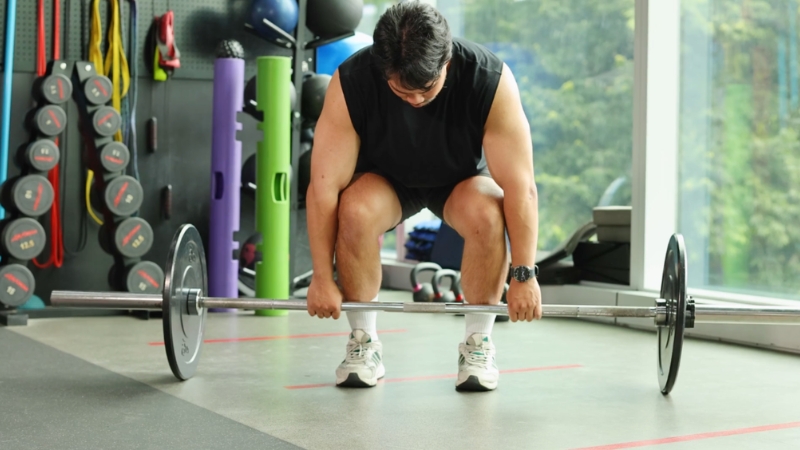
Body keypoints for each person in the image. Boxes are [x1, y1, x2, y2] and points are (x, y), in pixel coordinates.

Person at [305, 0, 542, 392]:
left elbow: (522, 187)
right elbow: (323, 188)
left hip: (459, 180)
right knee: (355, 209)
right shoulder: (352, 81)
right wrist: (320, 276)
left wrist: (524, 274)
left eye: (425, 90)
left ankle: (478, 343)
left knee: (488, 212)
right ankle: (364, 343)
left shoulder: (489, 79)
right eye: (402, 91)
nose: (414, 100)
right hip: (386, 179)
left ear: (446, 62)